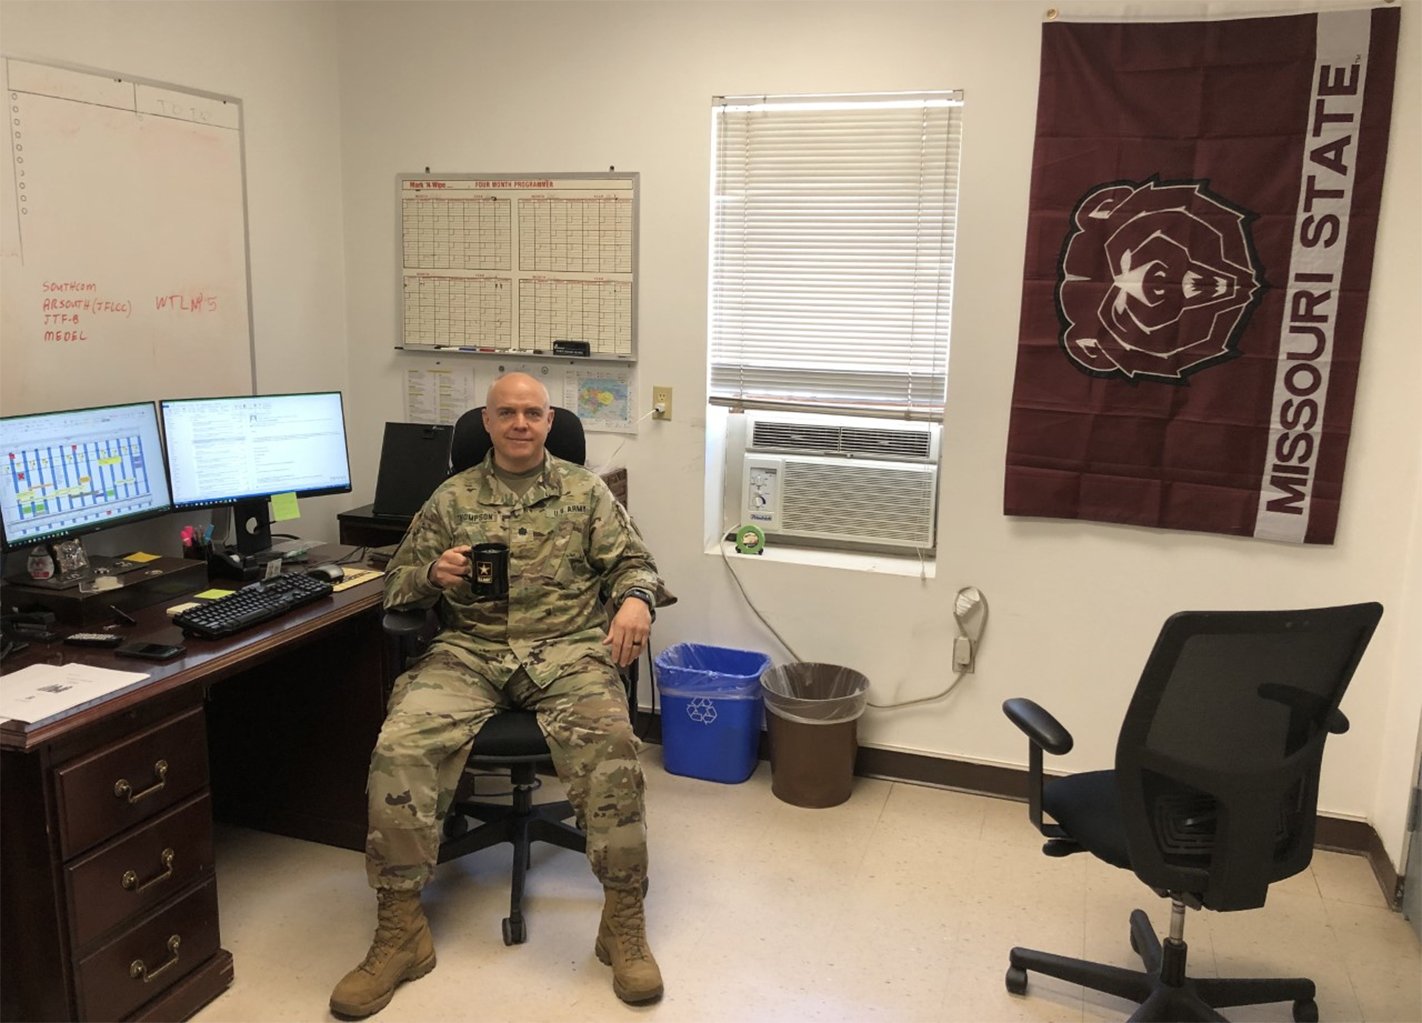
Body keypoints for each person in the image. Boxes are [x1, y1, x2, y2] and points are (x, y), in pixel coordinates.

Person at [331, 372, 665, 1018]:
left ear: (549, 422)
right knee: (399, 743)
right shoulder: (451, 498)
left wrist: (634, 601)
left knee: (616, 742)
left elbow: (637, 564)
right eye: (506, 412)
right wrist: (432, 572)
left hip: (568, 650)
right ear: (485, 423)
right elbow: (394, 585)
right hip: (471, 653)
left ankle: (622, 920)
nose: (520, 423)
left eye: (532, 412)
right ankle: (401, 932)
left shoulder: (585, 492)